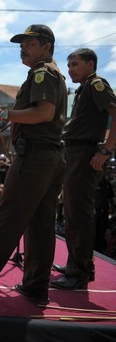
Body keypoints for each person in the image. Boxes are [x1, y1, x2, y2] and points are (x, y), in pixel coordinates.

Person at [0, 24, 67, 306]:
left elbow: (44, 112)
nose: (23, 48)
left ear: (47, 46)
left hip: (35, 158)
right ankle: (35, 285)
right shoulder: (55, 74)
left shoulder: (42, 72)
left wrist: (6, 114)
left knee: (9, 217)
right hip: (50, 156)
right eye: (21, 44)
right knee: (41, 225)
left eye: (29, 43)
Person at [52, 48, 116, 290]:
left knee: (79, 214)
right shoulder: (83, 89)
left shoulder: (96, 84)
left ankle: (78, 274)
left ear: (91, 64)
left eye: (75, 64)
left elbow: (115, 111)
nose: (70, 70)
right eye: (68, 65)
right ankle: (76, 266)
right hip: (74, 152)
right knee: (72, 213)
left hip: (85, 154)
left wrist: (107, 151)